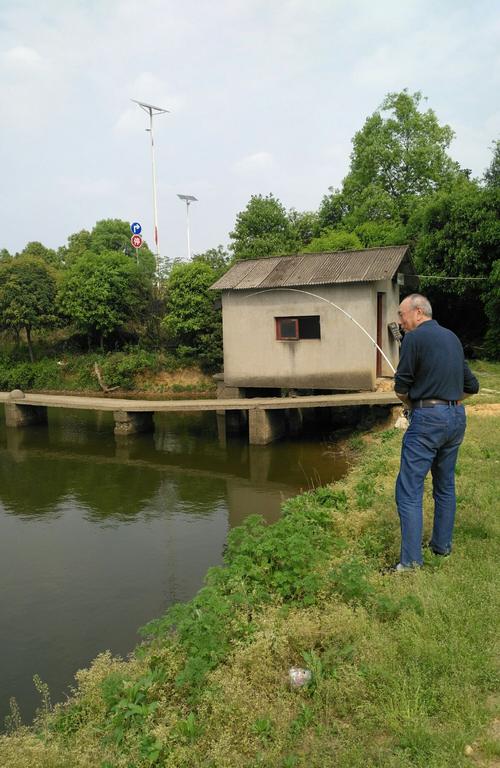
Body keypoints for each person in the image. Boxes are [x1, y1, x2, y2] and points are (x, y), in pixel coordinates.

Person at [393, 294, 479, 570]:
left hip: (428, 420)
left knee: (408, 490)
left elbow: (401, 387)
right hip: (456, 418)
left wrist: (415, 407)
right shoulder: (452, 338)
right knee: (445, 485)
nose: (400, 321)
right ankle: (441, 547)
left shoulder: (414, 339)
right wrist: (449, 403)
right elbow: (472, 386)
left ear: (418, 312)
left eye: (402, 314)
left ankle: (410, 564)